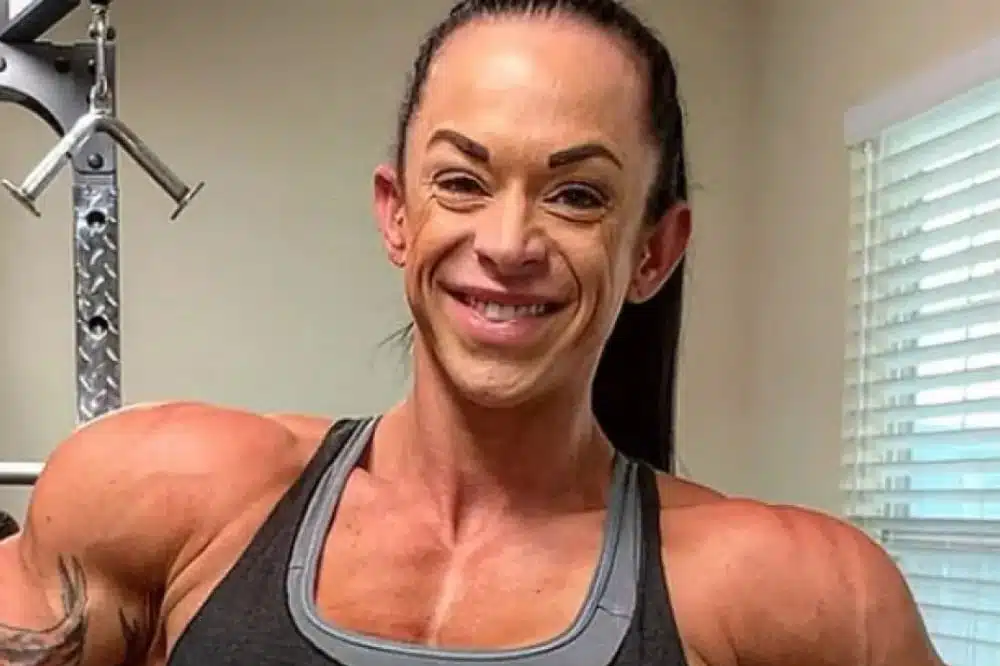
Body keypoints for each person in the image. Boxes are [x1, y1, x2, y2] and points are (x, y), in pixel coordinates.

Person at [0, 1, 946, 665]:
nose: (507, 243)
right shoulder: (159, 500)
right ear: (396, 214)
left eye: (578, 195)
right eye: (461, 181)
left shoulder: (801, 598)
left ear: (654, 251)